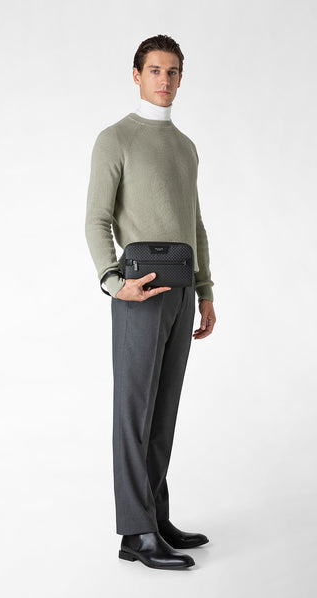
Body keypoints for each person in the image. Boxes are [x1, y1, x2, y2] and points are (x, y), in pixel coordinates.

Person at [85, 34, 216, 570]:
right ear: (137, 75)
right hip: (138, 290)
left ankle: (154, 518)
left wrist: (205, 291)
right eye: (155, 70)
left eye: (173, 71)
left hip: (182, 287)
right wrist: (113, 282)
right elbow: (96, 219)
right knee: (134, 413)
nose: (165, 80)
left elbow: (195, 224)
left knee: (163, 412)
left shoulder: (185, 146)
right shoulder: (115, 139)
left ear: (181, 78)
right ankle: (136, 533)